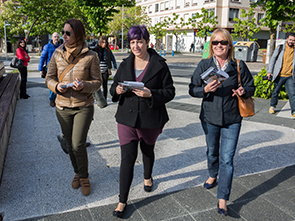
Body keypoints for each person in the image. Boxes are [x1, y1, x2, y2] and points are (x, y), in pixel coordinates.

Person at [110, 25, 175, 218]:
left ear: (147, 42)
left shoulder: (160, 65)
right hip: (126, 118)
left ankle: (147, 177)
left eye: (139, 41)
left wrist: (151, 93)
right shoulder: (124, 64)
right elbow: (114, 86)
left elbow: (170, 91)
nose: (136, 46)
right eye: (132, 42)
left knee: (147, 151)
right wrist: (117, 90)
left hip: (149, 118)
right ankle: (122, 201)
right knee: (127, 159)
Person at [189, 28, 255, 216]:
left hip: (232, 118)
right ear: (211, 45)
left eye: (223, 42)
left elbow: (251, 86)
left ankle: (222, 199)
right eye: (215, 42)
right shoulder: (204, 65)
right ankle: (212, 174)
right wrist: (205, 89)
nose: (219, 45)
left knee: (227, 159)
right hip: (210, 117)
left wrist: (244, 91)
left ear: (229, 45)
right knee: (212, 151)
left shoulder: (238, 65)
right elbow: (192, 89)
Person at [45, 18, 102, 196]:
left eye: (68, 33)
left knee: (78, 144)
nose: (64, 36)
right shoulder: (56, 54)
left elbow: (98, 82)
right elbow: (49, 77)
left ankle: (84, 177)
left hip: (83, 106)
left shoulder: (91, 56)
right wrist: (56, 86)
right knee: (69, 145)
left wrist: (84, 86)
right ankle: (77, 172)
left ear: (78, 34)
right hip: (62, 107)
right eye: (63, 32)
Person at [267, 32, 295, 117]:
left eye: (293, 40)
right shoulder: (280, 48)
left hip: (290, 76)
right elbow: (273, 60)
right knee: (275, 92)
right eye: (290, 39)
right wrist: (269, 71)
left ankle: (294, 111)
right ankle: (272, 106)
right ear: (287, 39)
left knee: (292, 94)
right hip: (279, 75)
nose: (291, 42)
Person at [93, 36, 117, 107]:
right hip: (97, 71)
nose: (104, 44)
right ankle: (99, 99)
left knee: (105, 85)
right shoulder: (96, 50)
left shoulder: (108, 50)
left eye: (105, 42)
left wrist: (115, 68)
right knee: (97, 86)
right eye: (103, 42)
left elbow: (113, 59)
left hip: (105, 71)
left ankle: (104, 100)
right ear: (100, 42)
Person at [38, 32, 61, 107]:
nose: (56, 38)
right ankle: (52, 99)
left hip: (60, 69)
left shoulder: (61, 46)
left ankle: (57, 99)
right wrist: (40, 69)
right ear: (52, 38)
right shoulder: (47, 46)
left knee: (59, 84)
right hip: (50, 69)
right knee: (52, 84)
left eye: (57, 37)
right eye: (55, 37)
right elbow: (42, 58)